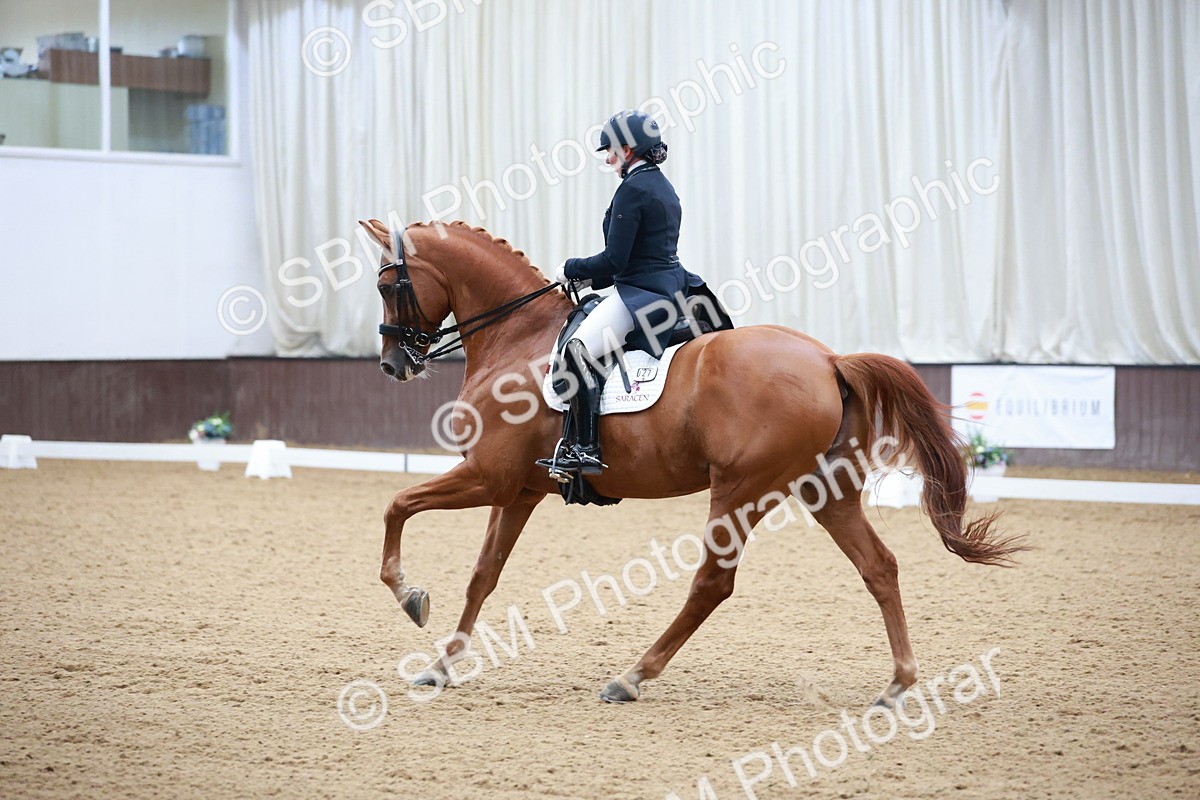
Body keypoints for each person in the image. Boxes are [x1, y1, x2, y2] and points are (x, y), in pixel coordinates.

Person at [537, 109, 691, 476]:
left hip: (643, 293)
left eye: (611, 151)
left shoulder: (632, 189)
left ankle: (584, 448)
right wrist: (594, 281)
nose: (608, 159)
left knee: (576, 350)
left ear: (628, 148)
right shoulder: (662, 186)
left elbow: (614, 258)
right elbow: (636, 258)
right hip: (671, 284)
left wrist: (571, 268)